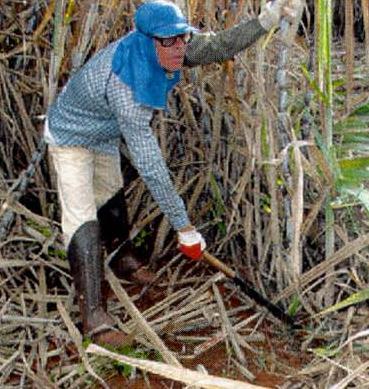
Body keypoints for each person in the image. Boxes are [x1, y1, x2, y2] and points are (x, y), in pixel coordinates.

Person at [45, 0, 299, 344]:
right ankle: (94, 318)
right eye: (169, 41)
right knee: (82, 218)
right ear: (148, 41)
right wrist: (184, 227)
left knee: (111, 194)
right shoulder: (124, 85)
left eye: (182, 38)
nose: (179, 48)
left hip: (105, 134)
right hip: (71, 135)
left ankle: (124, 260)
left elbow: (217, 45)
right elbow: (151, 166)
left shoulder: (172, 47)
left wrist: (264, 21)